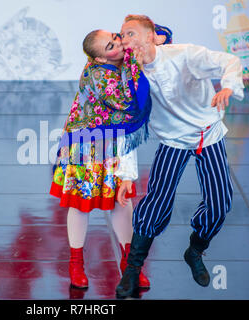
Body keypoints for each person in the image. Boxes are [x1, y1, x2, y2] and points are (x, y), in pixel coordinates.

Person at [115, 14, 244, 298]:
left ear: (151, 35)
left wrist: (228, 86)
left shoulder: (184, 55)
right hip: (173, 140)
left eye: (131, 33)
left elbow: (229, 61)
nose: (125, 40)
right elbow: (128, 125)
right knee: (156, 202)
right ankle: (133, 268)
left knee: (220, 203)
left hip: (206, 135)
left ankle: (195, 250)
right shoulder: (131, 76)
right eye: (122, 36)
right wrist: (126, 174)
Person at [50, 25, 172, 290]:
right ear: (99, 59)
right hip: (87, 145)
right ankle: (76, 263)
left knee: (121, 201)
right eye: (111, 45)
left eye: (116, 37)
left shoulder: (122, 58)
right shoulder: (98, 75)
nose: (118, 43)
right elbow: (129, 103)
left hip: (116, 144)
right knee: (81, 205)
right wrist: (133, 56)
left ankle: (131, 265)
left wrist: (152, 38)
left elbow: (157, 36)